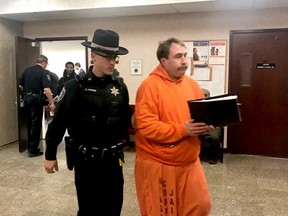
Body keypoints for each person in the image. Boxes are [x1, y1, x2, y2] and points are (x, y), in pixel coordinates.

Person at [44, 29, 131, 216]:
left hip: (113, 160)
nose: (112, 61)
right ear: (93, 56)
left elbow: (124, 119)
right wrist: (50, 154)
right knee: (89, 210)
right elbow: (58, 123)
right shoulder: (75, 87)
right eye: (107, 56)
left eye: (114, 57)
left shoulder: (119, 87)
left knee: (114, 208)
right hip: (86, 161)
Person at [134, 38, 214, 216]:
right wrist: (183, 130)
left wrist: (205, 125)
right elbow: (146, 126)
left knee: (200, 206)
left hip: (189, 160)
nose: (185, 61)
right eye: (178, 56)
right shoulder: (149, 86)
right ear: (164, 61)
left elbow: (199, 115)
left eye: (185, 56)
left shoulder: (192, 84)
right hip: (159, 162)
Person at [19, 55, 56, 157]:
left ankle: (29, 147)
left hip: (26, 99)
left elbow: (20, 85)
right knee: (36, 124)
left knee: (29, 123)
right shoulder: (43, 72)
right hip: (36, 100)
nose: (46, 66)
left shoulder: (26, 71)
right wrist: (52, 102)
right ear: (44, 62)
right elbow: (47, 89)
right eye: (46, 63)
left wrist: (27, 93)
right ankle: (33, 149)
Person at [200, 88, 222, 165]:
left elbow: (219, 119)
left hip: (213, 127)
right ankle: (195, 157)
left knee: (214, 137)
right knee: (190, 136)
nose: (203, 97)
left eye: (205, 95)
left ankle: (214, 157)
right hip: (199, 127)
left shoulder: (214, 106)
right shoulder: (195, 105)